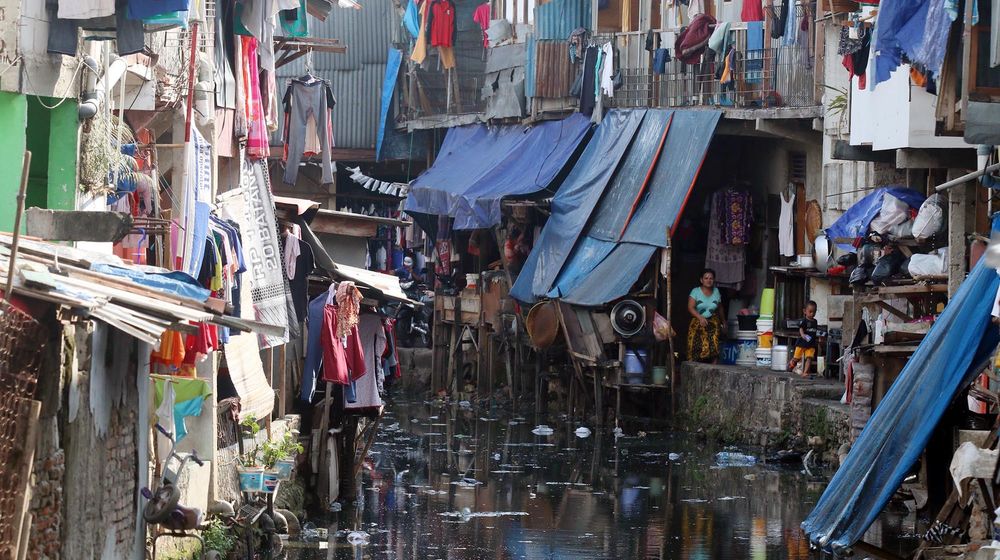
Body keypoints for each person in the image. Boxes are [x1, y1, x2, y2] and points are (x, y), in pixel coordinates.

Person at [687, 268, 724, 363]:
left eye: (711, 278)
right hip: (698, 319)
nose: (709, 280)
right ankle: (694, 367)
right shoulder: (695, 291)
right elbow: (690, 307)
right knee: (694, 344)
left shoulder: (716, 291)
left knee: (714, 344)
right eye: (706, 278)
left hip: (713, 320)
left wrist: (724, 322)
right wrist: (700, 318)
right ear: (701, 280)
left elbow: (720, 308)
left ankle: (713, 367)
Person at [789, 300, 819, 377]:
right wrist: (802, 335)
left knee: (809, 358)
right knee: (797, 358)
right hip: (802, 343)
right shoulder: (804, 321)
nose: (812, 314)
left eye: (814, 312)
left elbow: (815, 331)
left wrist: (818, 339)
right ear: (805, 311)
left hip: (810, 344)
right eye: (810, 312)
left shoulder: (815, 321)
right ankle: (792, 363)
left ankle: (805, 372)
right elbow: (801, 328)